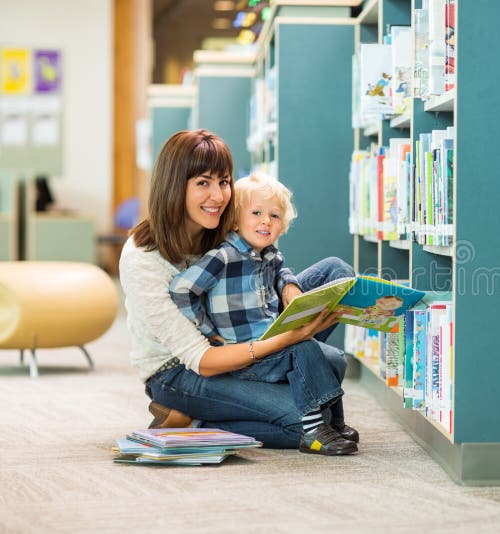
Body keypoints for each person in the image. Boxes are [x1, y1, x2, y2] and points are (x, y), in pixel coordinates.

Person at [119, 129, 357, 456]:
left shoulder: (222, 223)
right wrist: (284, 340)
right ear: (175, 185)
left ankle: (284, 376)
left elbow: (269, 260)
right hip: (180, 371)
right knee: (303, 419)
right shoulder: (142, 259)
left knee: (334, 282)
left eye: (224, 181)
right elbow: (200, 358)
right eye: (203, 182)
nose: (217, 196)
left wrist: (289, 287)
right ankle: (194, 421)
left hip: (245, 335)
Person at [168, 173, 357, 452]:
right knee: (304, 349)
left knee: (335, 358)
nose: (266, 221)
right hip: (247, 354)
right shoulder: (222, 257)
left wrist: (289, 285)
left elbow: (281, 268)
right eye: (256, 213)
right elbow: (181, 290)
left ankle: (334, 423)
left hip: (271, 335)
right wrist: (207, 331)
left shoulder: (269, 253)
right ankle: (314, 431)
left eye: (275, 216)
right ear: (234, 220)